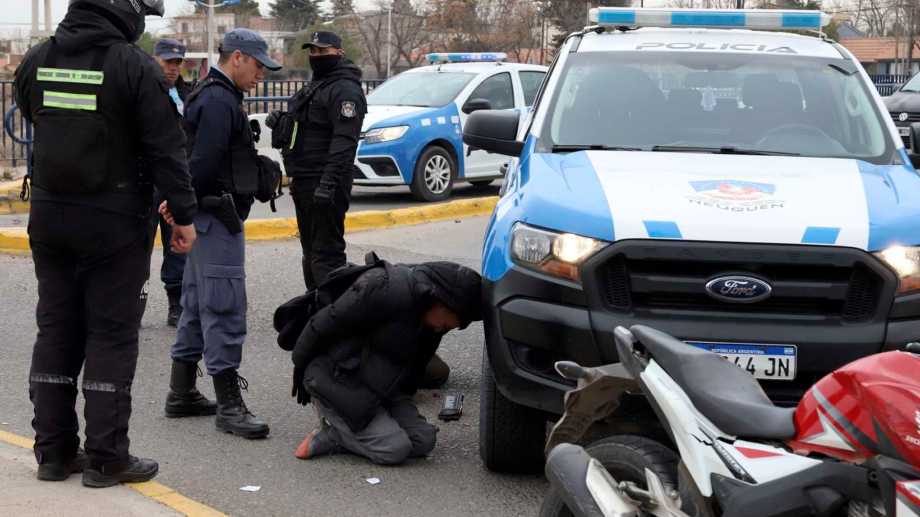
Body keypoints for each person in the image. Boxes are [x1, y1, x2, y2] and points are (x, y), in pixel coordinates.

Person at [15, 0, 197, 488]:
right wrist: (183, 216)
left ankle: (53, 454)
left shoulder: (38, 58)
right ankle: (105, 459)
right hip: (114, 222)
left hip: (49, 216)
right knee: (111, 336)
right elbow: (166, 149)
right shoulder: (134, 66)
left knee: (56, 330)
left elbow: (33, 113)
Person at [164, 29, 281, 439]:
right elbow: (204, 162)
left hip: (205, 215)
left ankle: (181, 392)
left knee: (197, 304)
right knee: (224, 306)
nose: (261, 75)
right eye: (258, 65)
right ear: (237, 58)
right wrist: (182, 205)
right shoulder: (218, 100)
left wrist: (181, 204)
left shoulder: (211, 93)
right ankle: (230, 406)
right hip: (216, 217)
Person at [289, 260, 482, 465]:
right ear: (440, 301)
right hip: (337, 380)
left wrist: (403, 404)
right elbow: (321, 324)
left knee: (423, 440)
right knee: (394, 449)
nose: (441, 330)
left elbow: (414, 369)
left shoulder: (430, 324)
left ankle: (355, 434)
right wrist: (301, 369)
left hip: (379, 386)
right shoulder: (383, 288)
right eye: (445, 324)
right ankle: (335, 435)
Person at [265, 31, 366, 291]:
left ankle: (333, 311)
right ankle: (315, 306)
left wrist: (328, 184)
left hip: (325, 182)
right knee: (310, 252)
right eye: (313, 51)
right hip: (305, 180)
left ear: (339, 53)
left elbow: (344, 142)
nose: (316, 56)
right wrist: (282, 121)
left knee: (326, 255)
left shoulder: (345, 90)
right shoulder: (318, 85)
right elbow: (308, 126)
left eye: (322, 51)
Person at [153, 38, 192, 327]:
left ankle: (176, 302)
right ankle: (132, 302)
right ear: (155, 60)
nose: (173, 67)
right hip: (145, 179)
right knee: (135, 246)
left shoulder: (188, 94)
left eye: (177, 62)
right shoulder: (143, 90)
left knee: (176, 244)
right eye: (168, 61)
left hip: (176, 177)